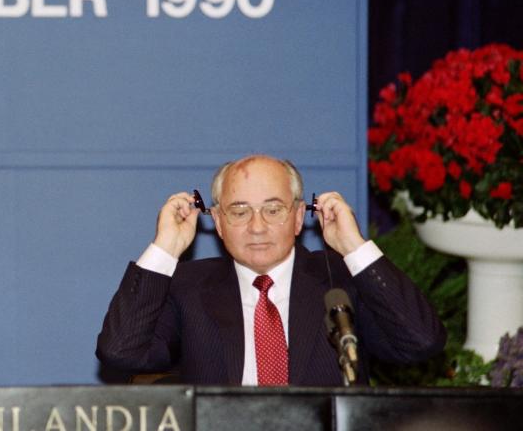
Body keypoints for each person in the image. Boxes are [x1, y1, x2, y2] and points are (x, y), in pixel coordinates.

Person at [96, 155, 445, 386]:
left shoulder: (339, 284)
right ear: (217, 222)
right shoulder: (189, 288)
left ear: (297, 217)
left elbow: (421, 342)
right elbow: (121, 351)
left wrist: (354, 248)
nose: (257, 227)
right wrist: (166, 248)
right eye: (239, 211)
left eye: (273, 210)